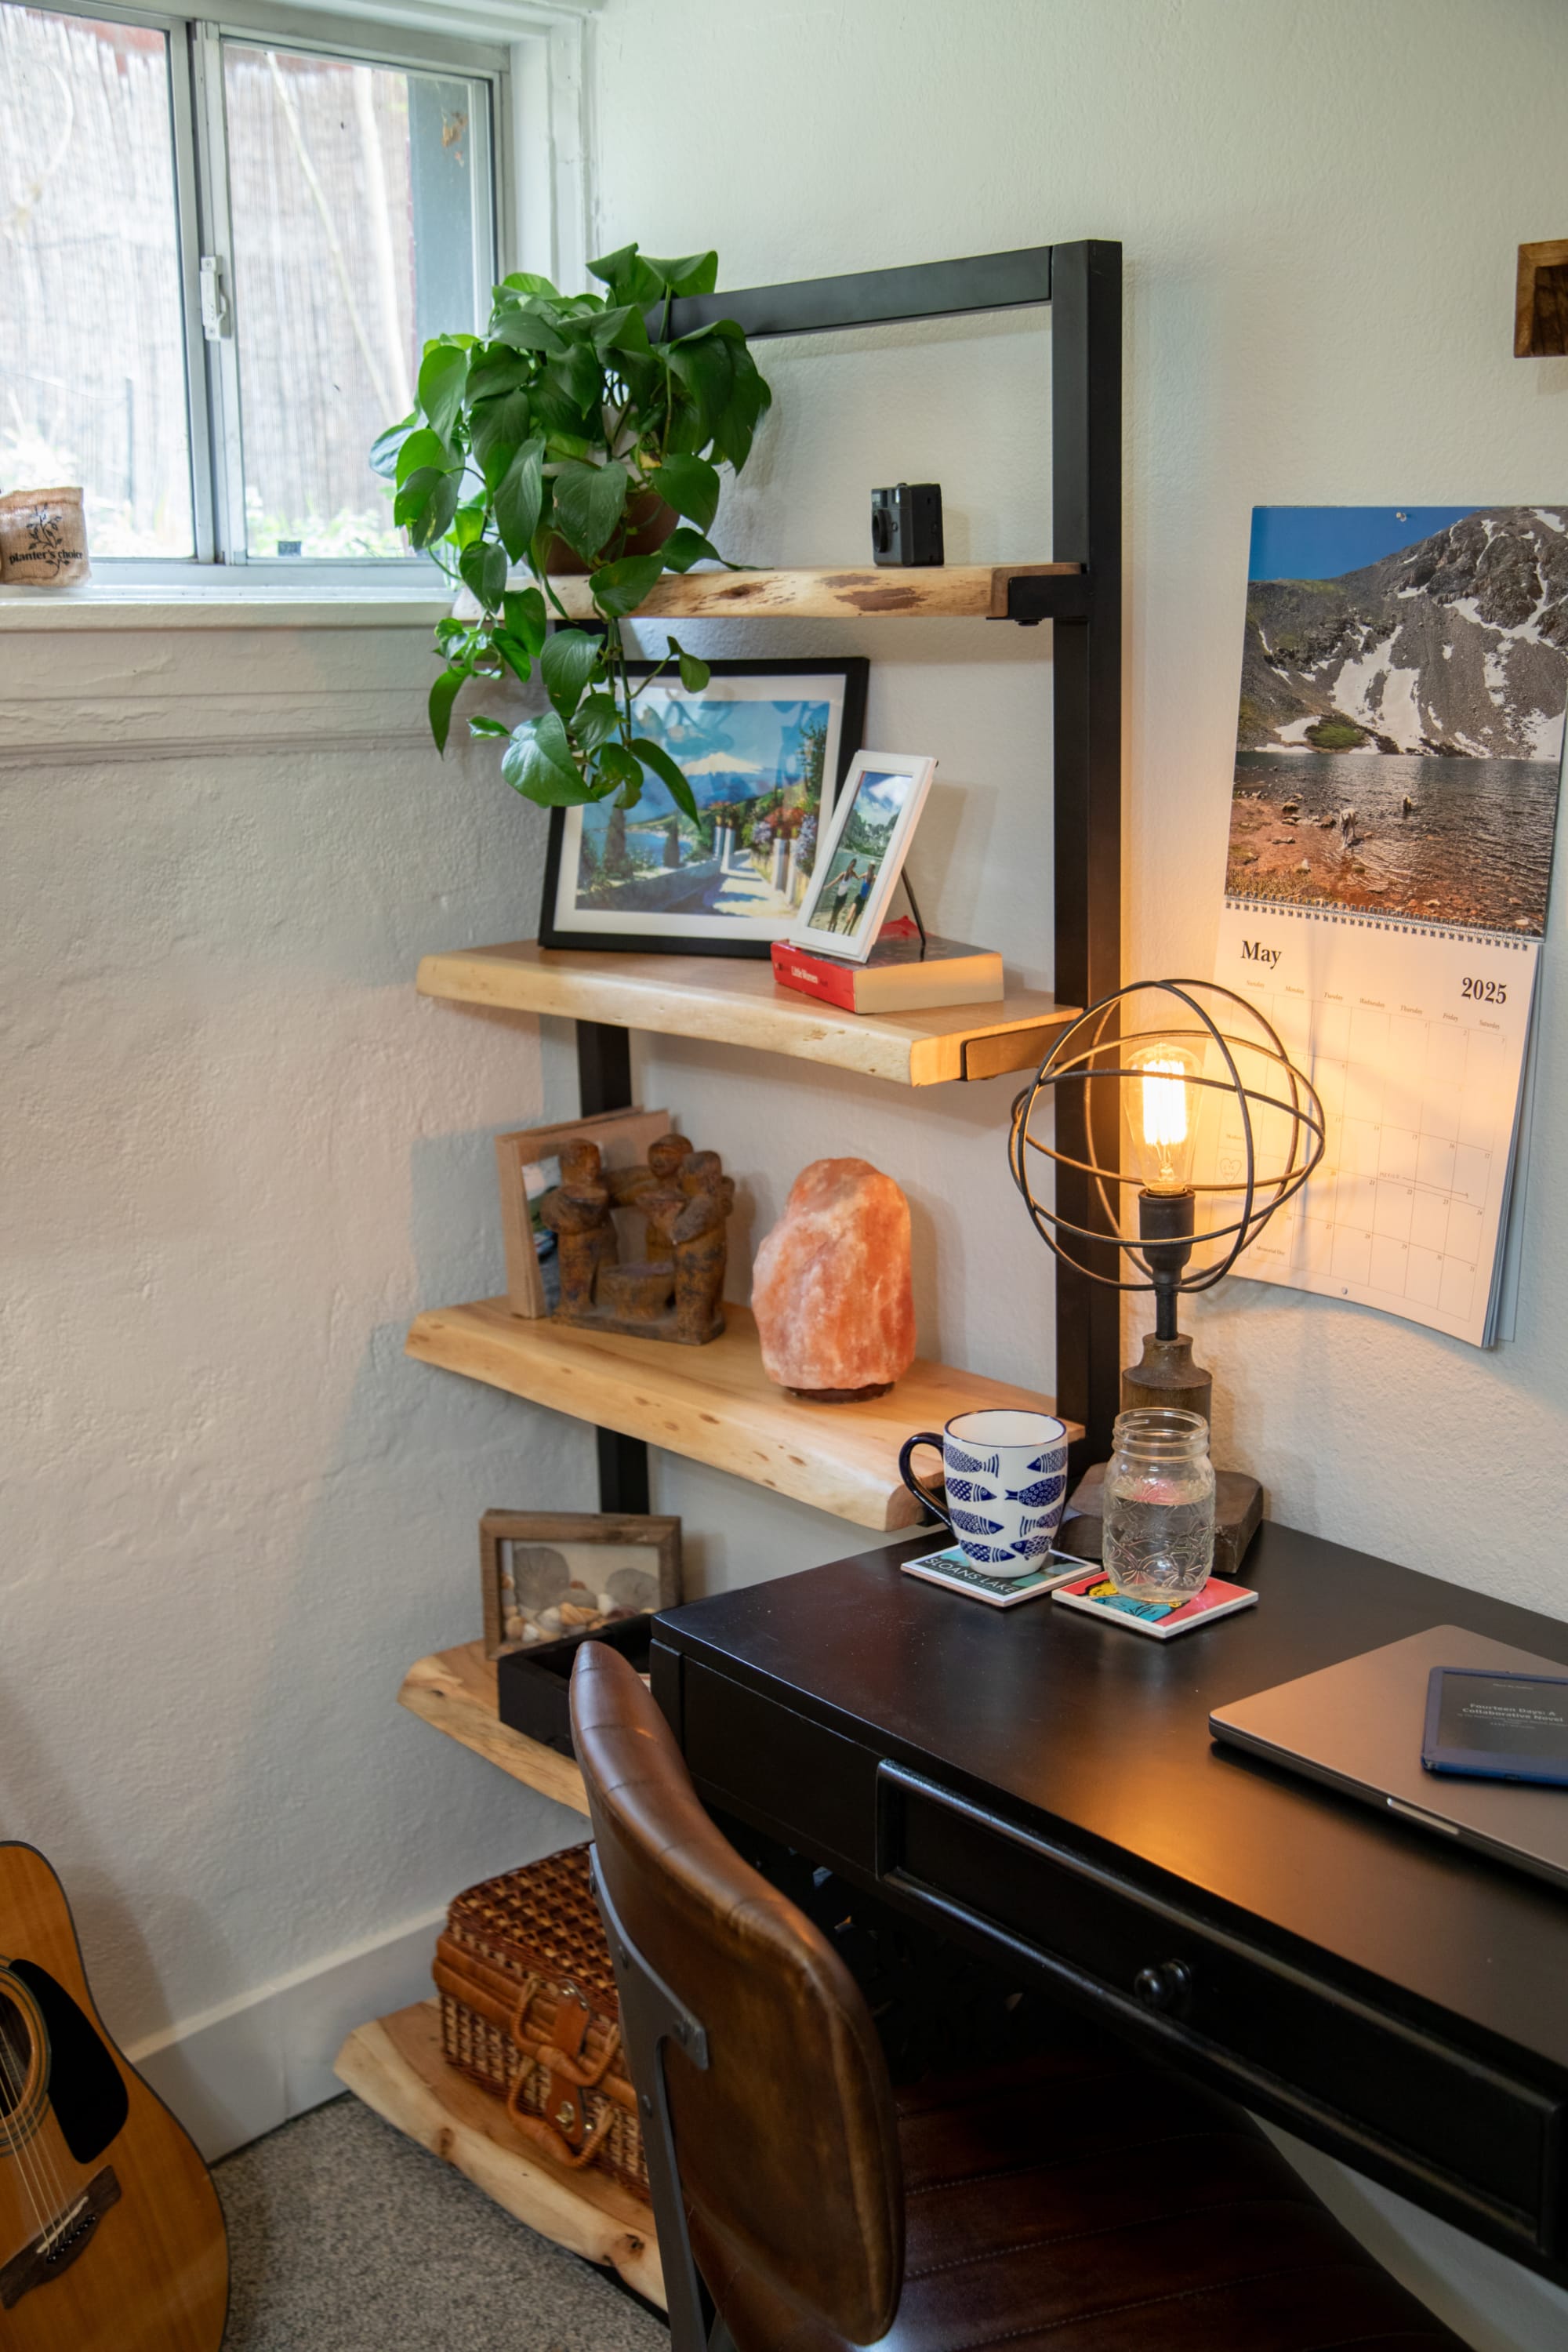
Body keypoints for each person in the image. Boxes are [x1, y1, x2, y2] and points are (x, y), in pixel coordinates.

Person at [829, 860, 858, 930]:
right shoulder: (843, 874)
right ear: (850, 864)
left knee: (836, 913)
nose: (852, 866)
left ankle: (832, 926)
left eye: (854, 865)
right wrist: (827, 887)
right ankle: (832, 926)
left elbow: (858, 878)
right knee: (834, 913)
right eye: (852, 864)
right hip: (838, 896)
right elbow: (835, 881)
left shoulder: (853, 873)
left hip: (844, 897)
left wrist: (866, 877)